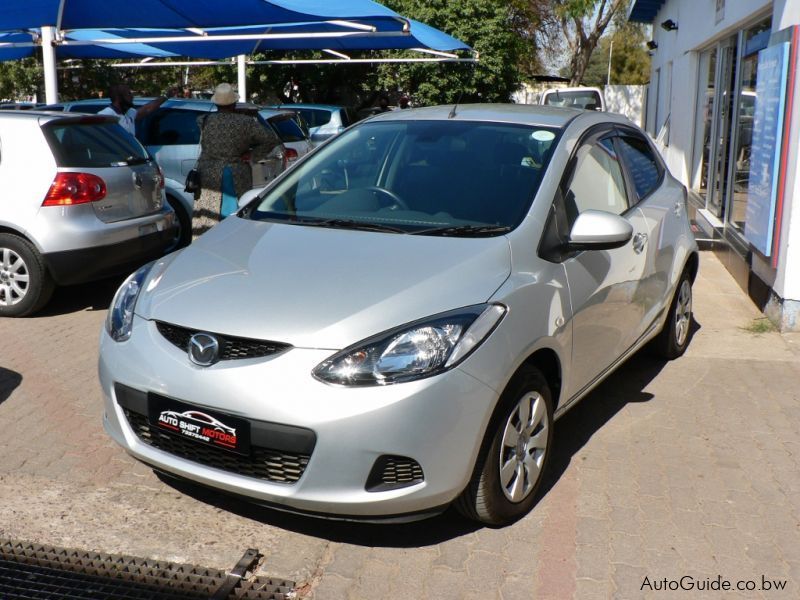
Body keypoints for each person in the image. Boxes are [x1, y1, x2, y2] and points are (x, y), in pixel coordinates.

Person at [192, 83, 280, 239]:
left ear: (216, 103)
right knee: (235, 212)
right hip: (236, 172)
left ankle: (208, 241)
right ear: (234, 103)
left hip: (208, 173)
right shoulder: (246, 122)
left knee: (209, 213)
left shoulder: (204, 120)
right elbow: (270, 139)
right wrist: (252, 155)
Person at [98, 83, 178, 137]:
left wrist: (167, 96)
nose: (132, 97)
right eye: (129, 94)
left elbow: (147, 109)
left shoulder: (128, 113)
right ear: (119, 98)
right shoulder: (105, 116)